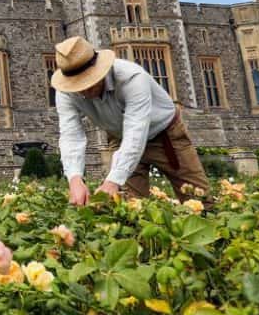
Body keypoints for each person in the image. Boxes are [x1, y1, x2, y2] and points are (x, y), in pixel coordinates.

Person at [49, 36, 209, 206]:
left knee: (200, 202)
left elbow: (136, 131)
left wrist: (112, 181)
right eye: (78, 85)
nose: (85, 90)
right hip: (119, 138)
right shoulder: (65, 91)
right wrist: (75, 179)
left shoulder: (132, 77)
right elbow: (71, 135)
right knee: (130, 209)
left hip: (165, 136)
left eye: (89, 81)